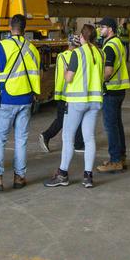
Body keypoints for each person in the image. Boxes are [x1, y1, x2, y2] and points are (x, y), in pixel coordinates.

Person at [0, 14, 41, 192]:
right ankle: (19, 177)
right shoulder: (33, 49)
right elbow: (37, 73)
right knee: (21, 139)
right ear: (25, 29)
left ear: (10, 27)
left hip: (6, 99)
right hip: (26, 99)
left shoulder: (2, 46)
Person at [45, 24, 104, 188]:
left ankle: (62, 174)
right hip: (94, 102)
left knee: (68, 137)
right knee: (89, 137)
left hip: (77, 102)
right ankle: (88, 176)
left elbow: (69, 78)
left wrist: (65, 70)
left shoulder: (76, 54)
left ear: (82, 37)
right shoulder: (100, 53)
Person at [95, 17, 130, 173]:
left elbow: (108, 72)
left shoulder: (109, 46)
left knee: (110, 126)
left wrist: (96, 80)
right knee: (117, 125)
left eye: (102, 27)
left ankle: (115, 160)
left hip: (111, 90)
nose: (100, 30)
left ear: (110, 29)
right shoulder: (118, 43)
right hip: (119, 89)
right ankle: (121, 157)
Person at [40, 34, 85, 153]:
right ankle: (78, 144)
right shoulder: (76, 56)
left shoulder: (61, 56)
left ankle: (48, 136)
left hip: (61, 93)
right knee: (77, 117)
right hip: (70, 93)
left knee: (62, 119)